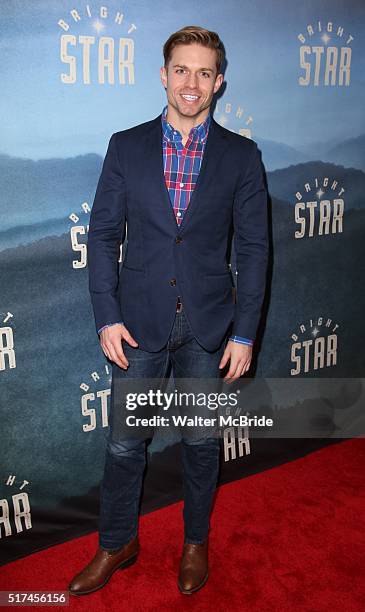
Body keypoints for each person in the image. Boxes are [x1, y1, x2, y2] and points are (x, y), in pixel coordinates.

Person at [68, 25, 268, 596]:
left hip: (209, 325)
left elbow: (254, 250)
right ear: (163, 74)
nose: (191, 82)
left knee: (202, 442)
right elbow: (103, 236)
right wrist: (107, 316)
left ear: (219, 82)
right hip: (137, 324)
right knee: (125, 442)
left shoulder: (241, 155)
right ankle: (116, 543)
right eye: (182, 69)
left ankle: (195, 543)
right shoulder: (125, 146)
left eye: (204, 72)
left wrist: (246, 333)